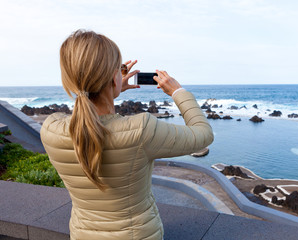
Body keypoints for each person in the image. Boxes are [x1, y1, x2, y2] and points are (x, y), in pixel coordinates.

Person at [40, 29, 214, 240]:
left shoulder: (51, 129)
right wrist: (178, 92)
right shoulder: (140, 130)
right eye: (119, 69)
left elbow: (88, 116)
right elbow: (203, 134)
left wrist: (110, 90)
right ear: (114, 77)